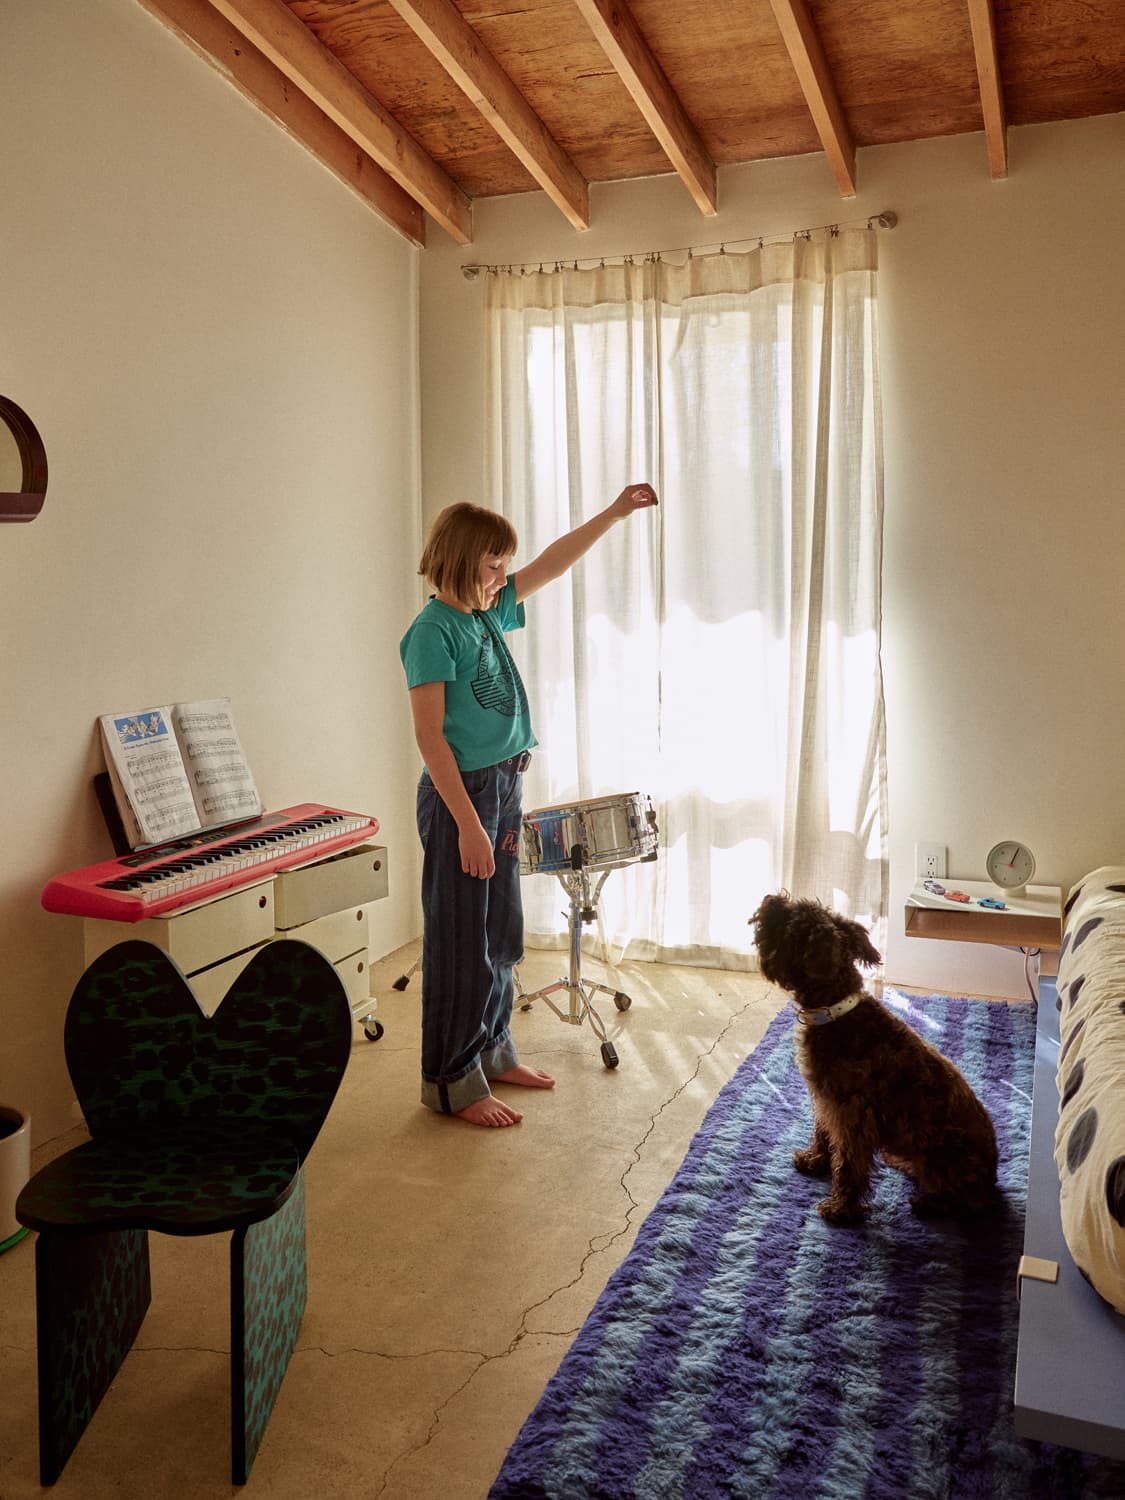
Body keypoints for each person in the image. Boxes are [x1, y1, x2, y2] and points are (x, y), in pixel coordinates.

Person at [399, 484, 659, 1127]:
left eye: (502, 566)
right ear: (458, 561)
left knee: (499, 935)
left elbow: (552, 562)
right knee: (460, 943)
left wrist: (615, 512)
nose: (503, 577)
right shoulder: (432, 632)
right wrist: (467, 826)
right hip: (463, 797)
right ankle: (452, 1082)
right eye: (492, 565)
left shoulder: (486, 611)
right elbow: (430, 738)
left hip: (504, 787)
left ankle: (491, 1053)